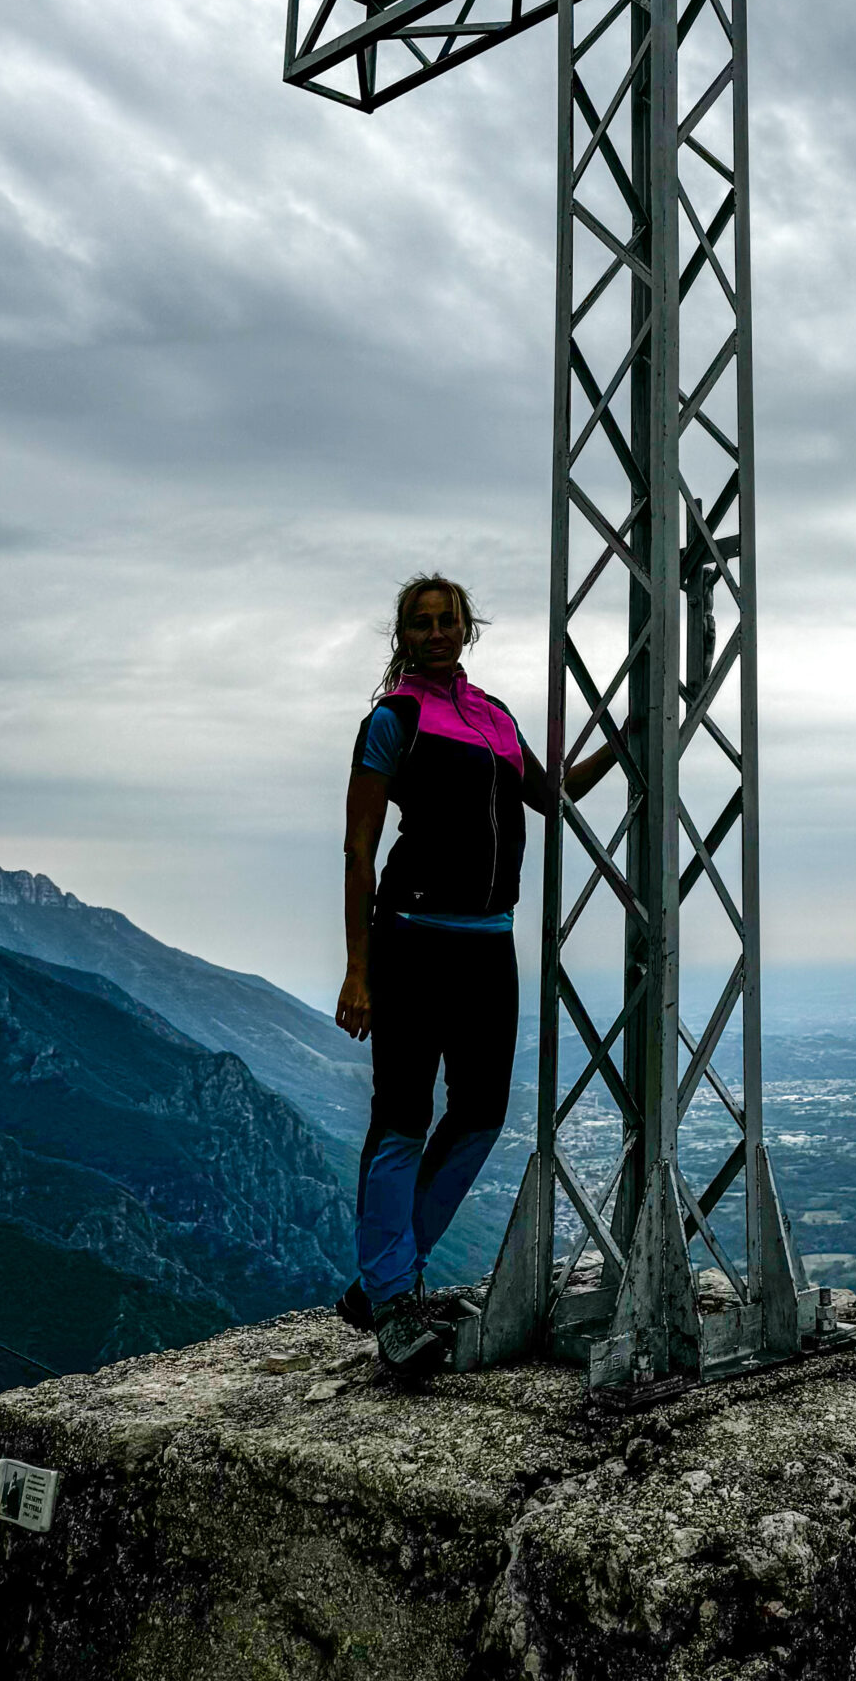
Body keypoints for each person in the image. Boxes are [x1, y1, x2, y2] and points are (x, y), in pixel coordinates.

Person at [334, 572, 617, 1381]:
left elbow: (553, 796)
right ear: (403, 635)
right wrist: (359, 970)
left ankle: (382, 1276)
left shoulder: (495, 718)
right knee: (400, 1118)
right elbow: (358, 848)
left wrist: (627, 736)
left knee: (484, 1114)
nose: (434, 634)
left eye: (446, 621)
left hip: (490, 942)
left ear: (467, 630)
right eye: (419, 624)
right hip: (413, 939)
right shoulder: (394, 720)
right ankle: (392, 1301)